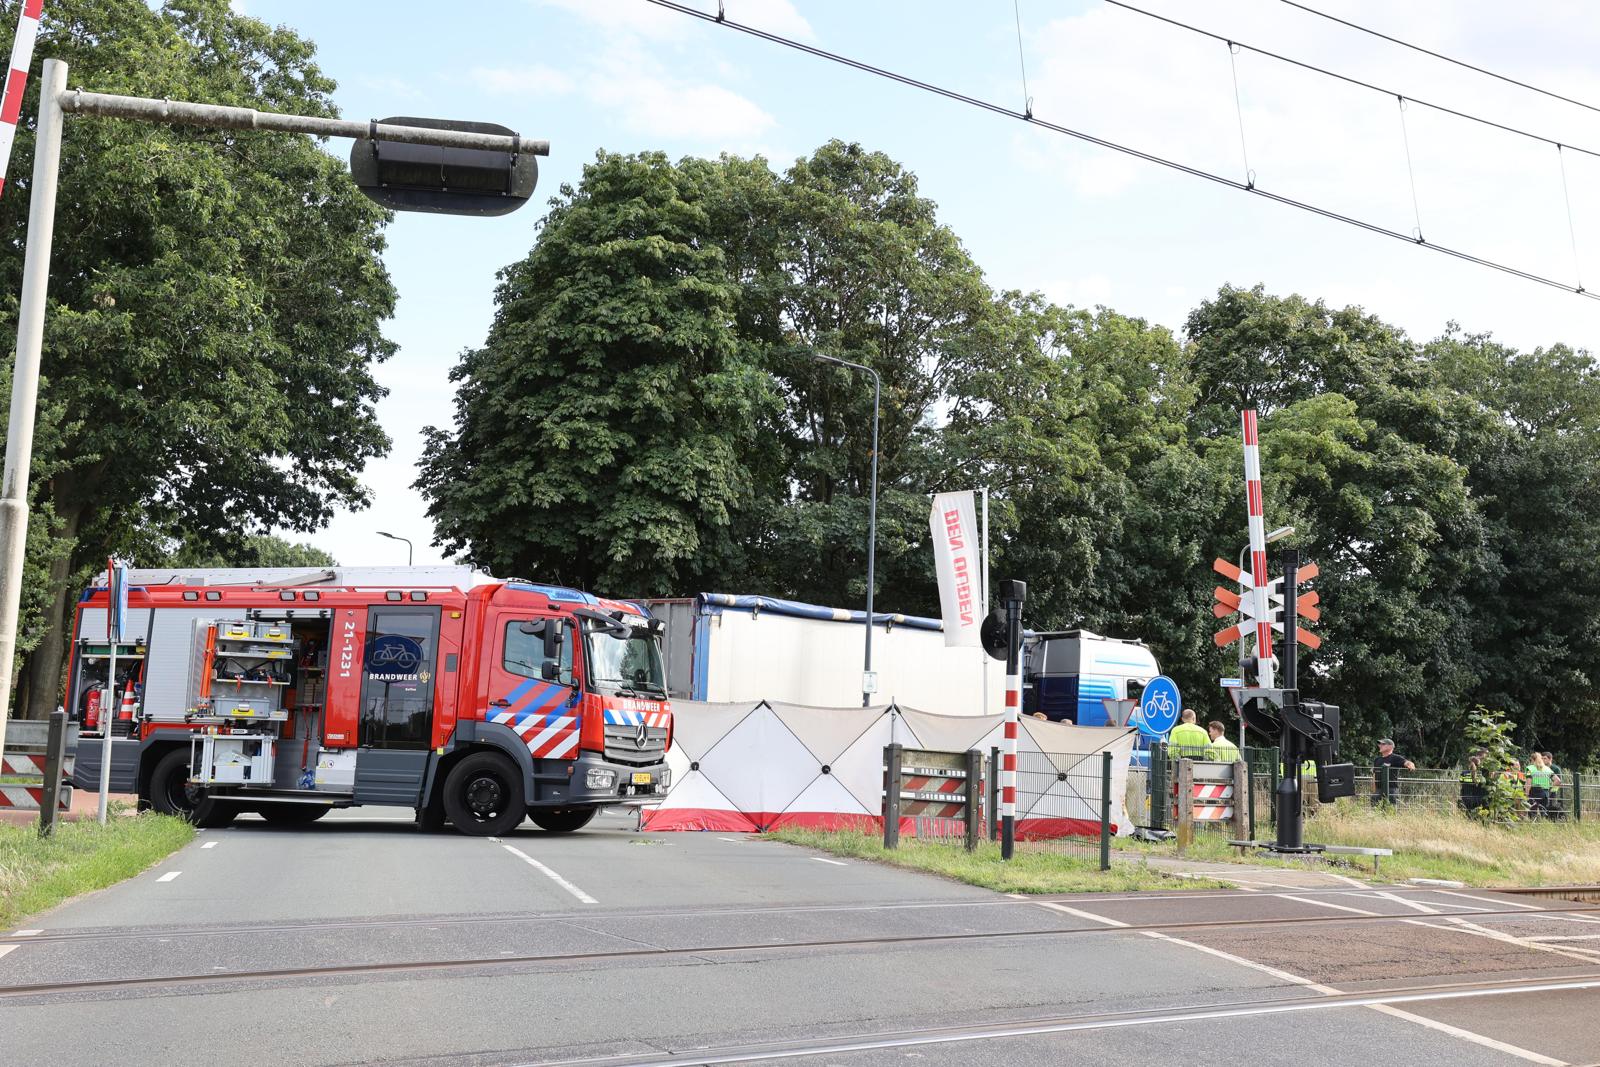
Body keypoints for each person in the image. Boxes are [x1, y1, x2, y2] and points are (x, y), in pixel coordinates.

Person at [1372, 738, 1414, 807]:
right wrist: (1374, 791)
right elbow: (1374, 775)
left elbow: (1407, 762)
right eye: (1379, 744)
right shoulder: (1377, 760)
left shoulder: (1395, 758)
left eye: (1383, 744)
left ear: (1390, 746)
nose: (1380, 745)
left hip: (1391, 790)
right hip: (1378, 790)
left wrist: (1410, 765)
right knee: (1375, 812)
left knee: (1390, 812)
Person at [1458, 749, 1487, 815]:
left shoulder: (1463, 773)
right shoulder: (1480, 774)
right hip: (1477, 797)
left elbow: (1461, 782)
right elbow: (1479, 784)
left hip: (1466, 796)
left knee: (1468, 812)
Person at [1525, 751, 1554, 818]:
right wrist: (1549, 789)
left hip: (1534, 792)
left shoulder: (1529, 768)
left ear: (1533, 760)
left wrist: (1526, 794)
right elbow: (1558, 781)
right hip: (1545, 793)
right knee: (1543, 812)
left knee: (1532, 812)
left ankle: (1533, 825)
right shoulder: (1547, 769)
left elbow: (1528, 782)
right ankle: (1543, 824)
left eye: (1530, 760)